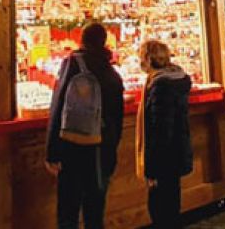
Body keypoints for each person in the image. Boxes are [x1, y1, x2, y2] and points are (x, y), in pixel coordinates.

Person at [44, 23, 124, 229]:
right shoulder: (112, 73)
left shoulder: (72, 64)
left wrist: (52, 151)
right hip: (101, 148)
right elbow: (118, 117)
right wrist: (111, 149)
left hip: (72, 145)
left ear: (82, 39)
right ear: (104, 41)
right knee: (95, 210)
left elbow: (58, 104)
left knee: (68, 210)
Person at [135, 40, 192, 229]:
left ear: (148, 60)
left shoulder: (160, 86)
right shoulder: (176, 80)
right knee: (171, 203)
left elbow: (160, 129)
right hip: (176, 153)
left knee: (160, 208)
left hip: (164, 159)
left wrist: (152, 169)